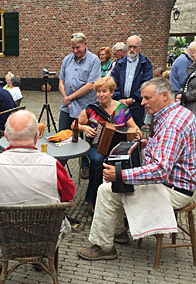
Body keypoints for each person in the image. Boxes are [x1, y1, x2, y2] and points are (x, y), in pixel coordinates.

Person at [77, 78, 196, 261]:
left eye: (147, 98)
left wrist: (120, 174)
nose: (142, 103)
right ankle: (118, 232)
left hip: (171, 190)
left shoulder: (172, 125)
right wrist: (148, 143)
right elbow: (169, 151)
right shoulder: (179, 113)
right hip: (176, 184)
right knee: (115, 183)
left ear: (165, 95)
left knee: (106, 188)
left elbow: (160, 170)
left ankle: (105, 247)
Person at [0, 110, 75, 274]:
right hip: (45, 237)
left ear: (5, 135)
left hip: (0, 238)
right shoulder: (53, 165)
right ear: (37, 136)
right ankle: (40, 257)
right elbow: (69, 196)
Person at [77, 77, 140, 213]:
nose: (100, 94)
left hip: (118, 147)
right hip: (97, 146)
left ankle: (122, 198)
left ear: (112, 93)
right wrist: (84, 128)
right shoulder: (91, 109)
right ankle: (94, 199)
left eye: (104, 91)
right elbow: (75, 125)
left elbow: (134, 127)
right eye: (98, 91)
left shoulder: (122, 109)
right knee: (98, 160)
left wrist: (137, 132)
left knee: (126, 160)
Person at [58, 32, 101, 179]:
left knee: (85, 138)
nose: (75, 51)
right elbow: (61, 82)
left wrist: (70, 97)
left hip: (86, 107)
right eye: (73, 48)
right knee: (63, 136)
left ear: (85, 45)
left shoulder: (94, 60)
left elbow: (90, 85)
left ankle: (85, 165)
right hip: (67, 107)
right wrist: (65, 97)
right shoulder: (67, 60)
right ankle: (58, 167)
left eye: (78, 47)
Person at [110, 35, 153, 127]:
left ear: (140, 47)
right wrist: (118, 98)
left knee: (134, 132)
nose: (132, 49)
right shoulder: (120, 63)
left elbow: (146, 84)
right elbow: (113, 81)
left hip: (136, 105)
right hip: (119, 104)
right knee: (118, 130)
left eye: (135, 47)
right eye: (130, 47)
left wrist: (134, 98)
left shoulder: (145, 64)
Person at [176, 50, 196, 116]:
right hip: (188, 106)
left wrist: (183, 96)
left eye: (195, 52)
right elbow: (186, 84)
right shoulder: (192, 68)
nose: (192, 55)